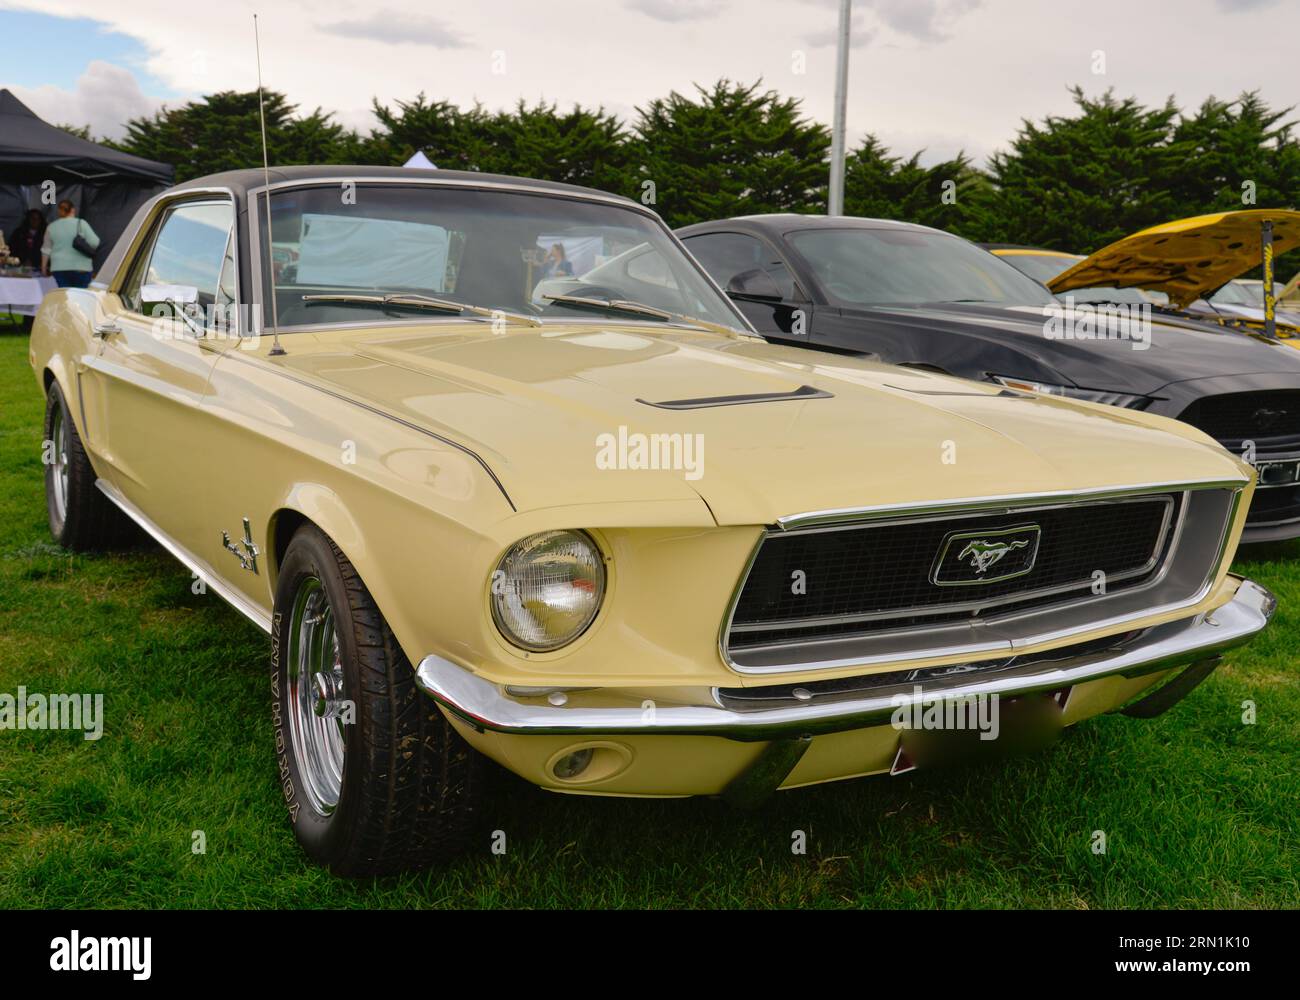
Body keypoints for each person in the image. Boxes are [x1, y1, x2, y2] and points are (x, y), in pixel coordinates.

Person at [41, 200, 100, 288]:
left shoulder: (51, 227)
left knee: (64, 294)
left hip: (59, 267)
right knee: (80, 294)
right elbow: (95, 242)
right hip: (81, 267)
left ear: (59, 211)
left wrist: (43, 267)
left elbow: (46, 249)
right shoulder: (81, 223)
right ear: (73, 210)